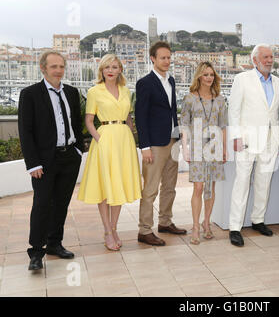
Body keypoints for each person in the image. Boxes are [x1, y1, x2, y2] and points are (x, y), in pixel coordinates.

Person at [18, 51, 83, 270]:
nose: (58, 71)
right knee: (42, 204)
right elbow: (25, 132)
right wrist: (33, 163)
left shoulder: (72, 93)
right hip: (45, 161)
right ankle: (36, 252)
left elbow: (76, 122)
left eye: (61, 66)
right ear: (43, 68)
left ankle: (55, 243)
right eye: (53, 66)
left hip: (69, 157)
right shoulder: (30, 94)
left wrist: (78, 150)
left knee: (61, 204)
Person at [78, 54, 142, 251]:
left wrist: (130, 135)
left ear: (120, 69)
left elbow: (129, 117)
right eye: (107, 67)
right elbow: (89, 120)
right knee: (106, 188)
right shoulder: (94, 91)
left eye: (114, 67)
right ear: (102, 70)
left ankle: (114, 228)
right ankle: (107, 230)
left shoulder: (125, 90)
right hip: (105, 139)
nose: (111, 70)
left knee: (118, 185)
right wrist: (99, 138)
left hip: (123, 141)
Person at [228, 44, 279, 247]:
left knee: (264, 183)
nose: (270, 60)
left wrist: (278, 140)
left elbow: (275, 114)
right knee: (241, 183)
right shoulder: (241, 79)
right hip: (246, 141)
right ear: (255, 60)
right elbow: (233, 110)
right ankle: (235, 227)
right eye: (265, 57)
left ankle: (258, 220)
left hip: (269, 142)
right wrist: (236, 137)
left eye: (271, 57)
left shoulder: (278, 82)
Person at [135, 41, 186, 246]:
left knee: (170, 186)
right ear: (153, 59)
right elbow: (141, 116)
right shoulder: (145, 83)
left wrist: (178, 136)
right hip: (154, 144)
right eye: (163, 57)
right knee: (150, 189)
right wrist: (144, 147)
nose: (167, 61)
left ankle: (165, 222)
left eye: (169, 57)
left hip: (172, 140)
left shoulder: (171, 81)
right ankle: (144, 230)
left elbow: (172, 111)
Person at [180, 62, 227, 245]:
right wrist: (185, 148)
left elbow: (223, 126)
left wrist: (224, 149)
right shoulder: (190, 99)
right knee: (198, 187)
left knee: (210, 188)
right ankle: (195, 226)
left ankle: (206, 222)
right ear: (199, 76)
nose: (209, 78)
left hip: (215, 146)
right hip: (198, 147)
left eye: (211, 75)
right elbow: (184, 125)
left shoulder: (220, 99)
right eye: (205, 74)